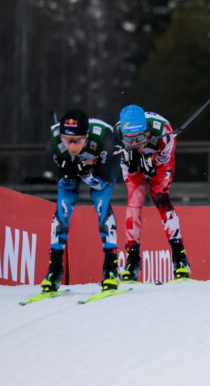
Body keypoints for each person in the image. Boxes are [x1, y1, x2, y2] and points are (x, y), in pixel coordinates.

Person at [41, 109, 120, 292]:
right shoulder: (55, 144)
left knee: (101, 202)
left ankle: (111, 268)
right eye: (67, 140)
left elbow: (101, 185)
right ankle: (55, 268)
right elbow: (66, 186)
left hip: (101, 161)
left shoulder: (104, 139)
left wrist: (86, 174)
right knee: (63, 204)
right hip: (80, 164)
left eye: (77, 140)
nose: (72, 146)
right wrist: (67, 175)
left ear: (86, 136)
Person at [114, 105, 190, 281]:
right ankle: (132, 259)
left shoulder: (165, 133)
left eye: (140, 138)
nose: (135, 144)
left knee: (160, 196)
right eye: (129, 139)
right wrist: (134, 165)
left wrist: (150, 163)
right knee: (134, 201)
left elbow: (159, 170)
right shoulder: (115, 135)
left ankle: (180, 257)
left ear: (148, 133)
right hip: (135, 161)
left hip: (159, 159)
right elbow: (131, 172)